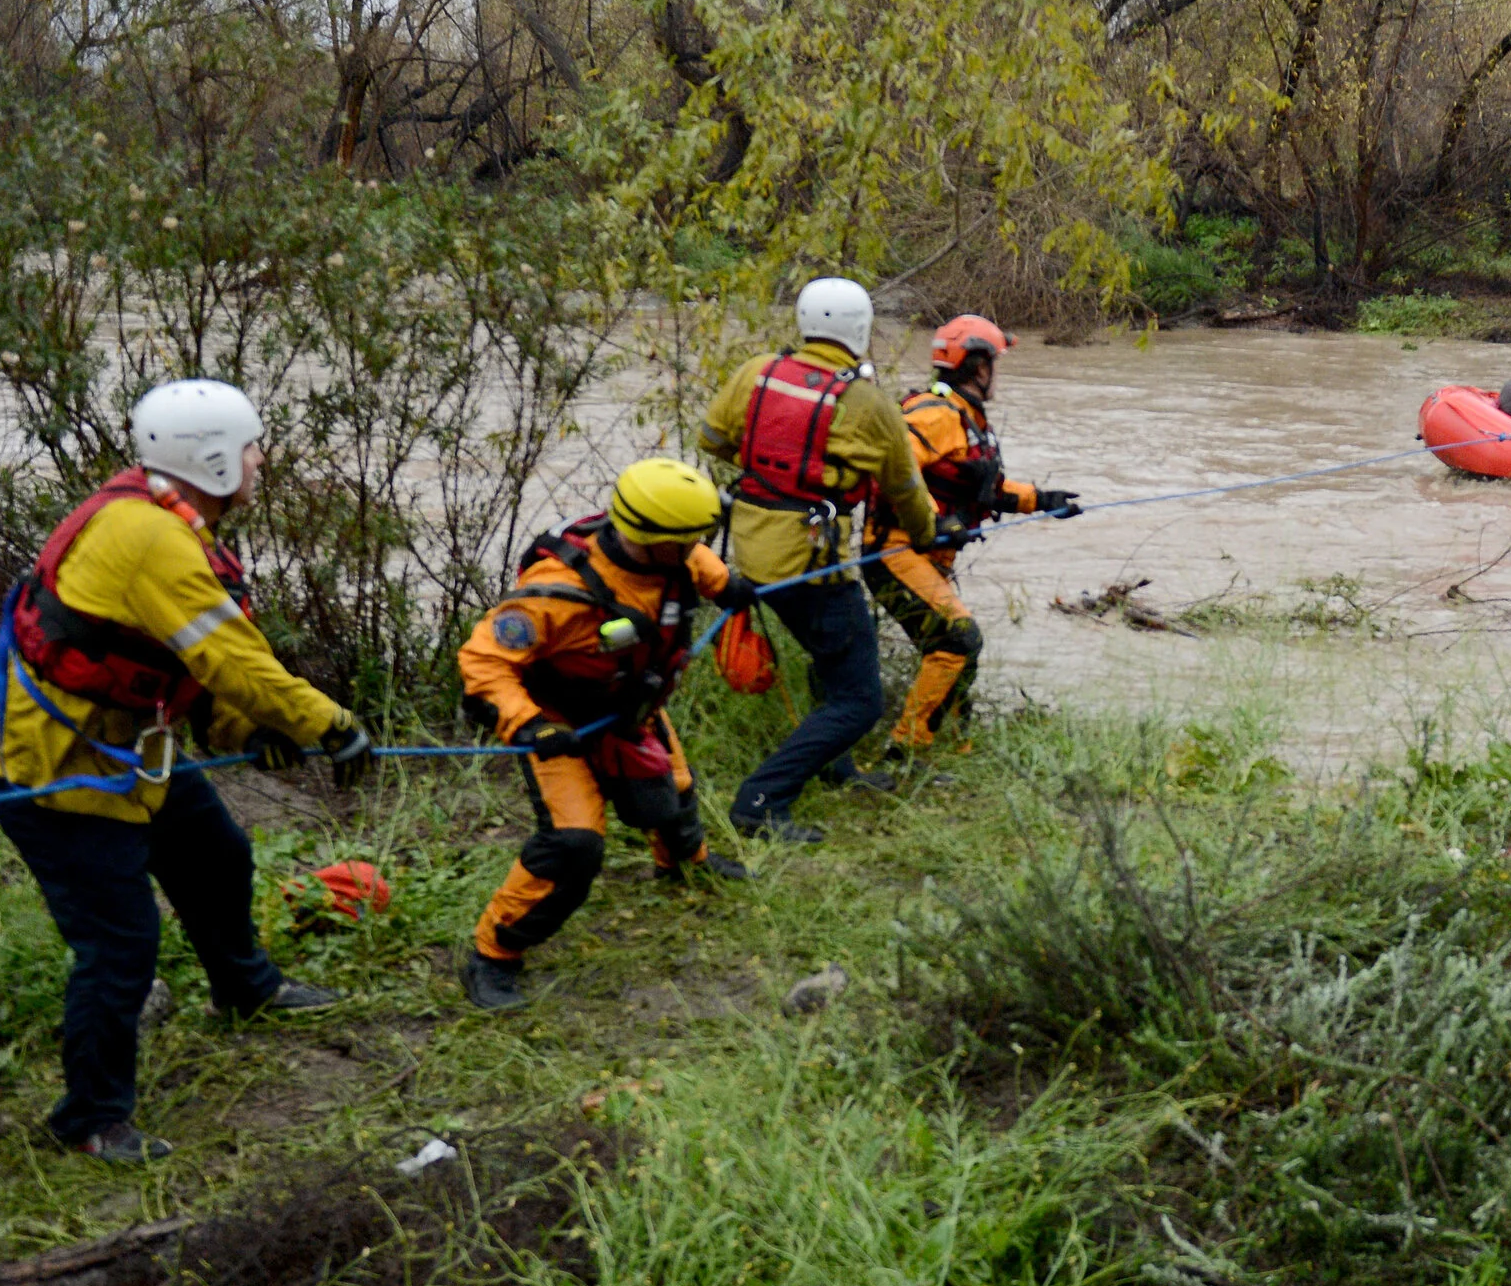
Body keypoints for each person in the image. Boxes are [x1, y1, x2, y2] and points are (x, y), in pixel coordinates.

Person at [0, 380, 373, 1163]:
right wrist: (329, 724)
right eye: (255, 447)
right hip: (62, 775)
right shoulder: (154, 538)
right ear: (217, 459)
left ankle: (246, 989)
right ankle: (90, 1120)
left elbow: (179, 661)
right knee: (121, 946)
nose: (263, 460)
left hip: (132, 753)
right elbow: (233, 658)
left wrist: (244, 729)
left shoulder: (164, 522)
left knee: (217, 855)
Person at [456, 459, 759, 1011]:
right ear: (649, 538)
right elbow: (483, 662)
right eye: (690, 538)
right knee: (574, 844)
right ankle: (493, 955)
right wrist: (529, 724)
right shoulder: (556, 592)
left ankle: (683, 864)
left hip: (634, 702)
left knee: (674, 789)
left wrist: (727, 586)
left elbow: (697, 561)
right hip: (559, 721)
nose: (699, 545)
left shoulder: (674, 554)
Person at [700, 276, 943, 843]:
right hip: (812, 563)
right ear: (859, 331)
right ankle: (760, 800)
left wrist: (772, 464)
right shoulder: (867, 403)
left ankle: (836, 770)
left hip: (754, 549)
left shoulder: (757, 371)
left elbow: (712, 438)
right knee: (860, 701)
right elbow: (906, 488)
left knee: (828, 657)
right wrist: (927, 534)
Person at [865, 314, 1080, 763]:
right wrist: (932, 523)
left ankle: (954, 746)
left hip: (925, 559)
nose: (996, 373)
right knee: (958, 639)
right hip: (895, 552)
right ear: (978, 365)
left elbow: (980, 488)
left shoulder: (964, 417)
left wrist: (1042, 500)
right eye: (994, 363)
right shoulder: (937, 414)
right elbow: (891, 469)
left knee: (963, 648)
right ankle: (907, 752)